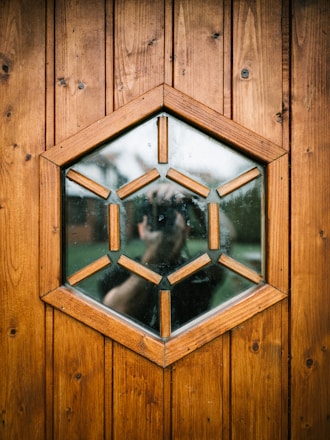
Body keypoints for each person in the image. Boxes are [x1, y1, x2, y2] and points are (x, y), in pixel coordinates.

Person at [101, 184, 227, 332]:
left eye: (170, 220)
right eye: (158, 222)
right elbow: (113, 312)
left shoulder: (198, 270)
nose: (164, 226)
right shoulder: (121, 270)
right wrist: (154, 255)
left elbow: (226, 241)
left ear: (186, 230)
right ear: (142, 230)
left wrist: (196, 199)